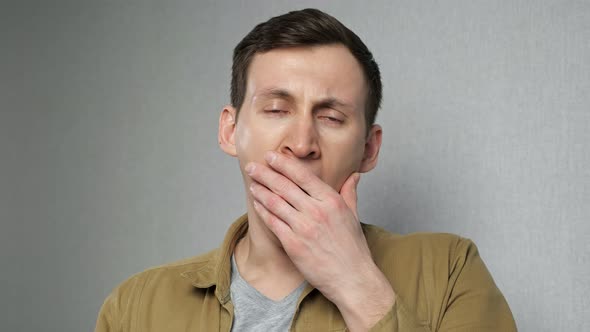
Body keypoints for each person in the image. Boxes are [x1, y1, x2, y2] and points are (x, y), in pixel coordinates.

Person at [95, 8, 516, 332]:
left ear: (369, 148)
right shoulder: (137, 306)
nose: (301, 144)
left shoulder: (450, 270)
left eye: (331, 118)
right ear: (229, 131)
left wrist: (356, 284)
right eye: (277, 109)